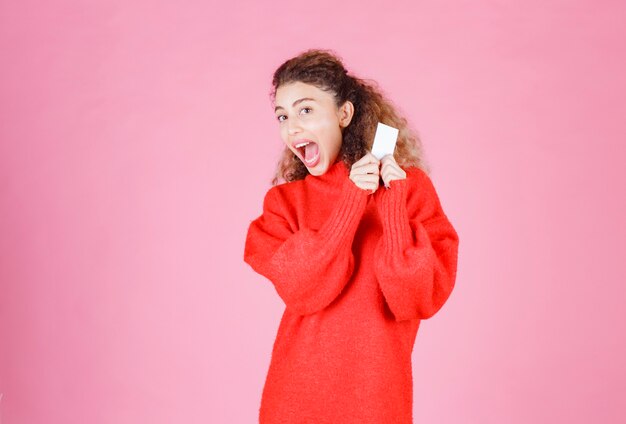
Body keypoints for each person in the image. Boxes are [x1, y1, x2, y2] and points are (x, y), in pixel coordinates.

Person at [243, 48, 460, 424]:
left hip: (377, 400)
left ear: (344, 114)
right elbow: (303, 289)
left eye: (305, 110)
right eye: (283, 115)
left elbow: (415, 298)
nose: (291, 128)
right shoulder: (284, 203)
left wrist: (392, 204)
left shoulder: (410, 190)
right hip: (295, 399)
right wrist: (350, 203)